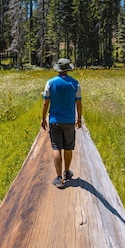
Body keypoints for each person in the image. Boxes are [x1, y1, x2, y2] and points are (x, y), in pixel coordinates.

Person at [41, 58, 82, 189]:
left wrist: (43, 118)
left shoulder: (50, 83)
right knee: (68, 147)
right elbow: (79, 103)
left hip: (54, 120)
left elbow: (45, 102)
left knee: (56, 147)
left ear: (58, 69)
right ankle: (67, 171)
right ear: (68, 69)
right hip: (69, 120)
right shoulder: (75, 84)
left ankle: (59, 178)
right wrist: (79, 118)